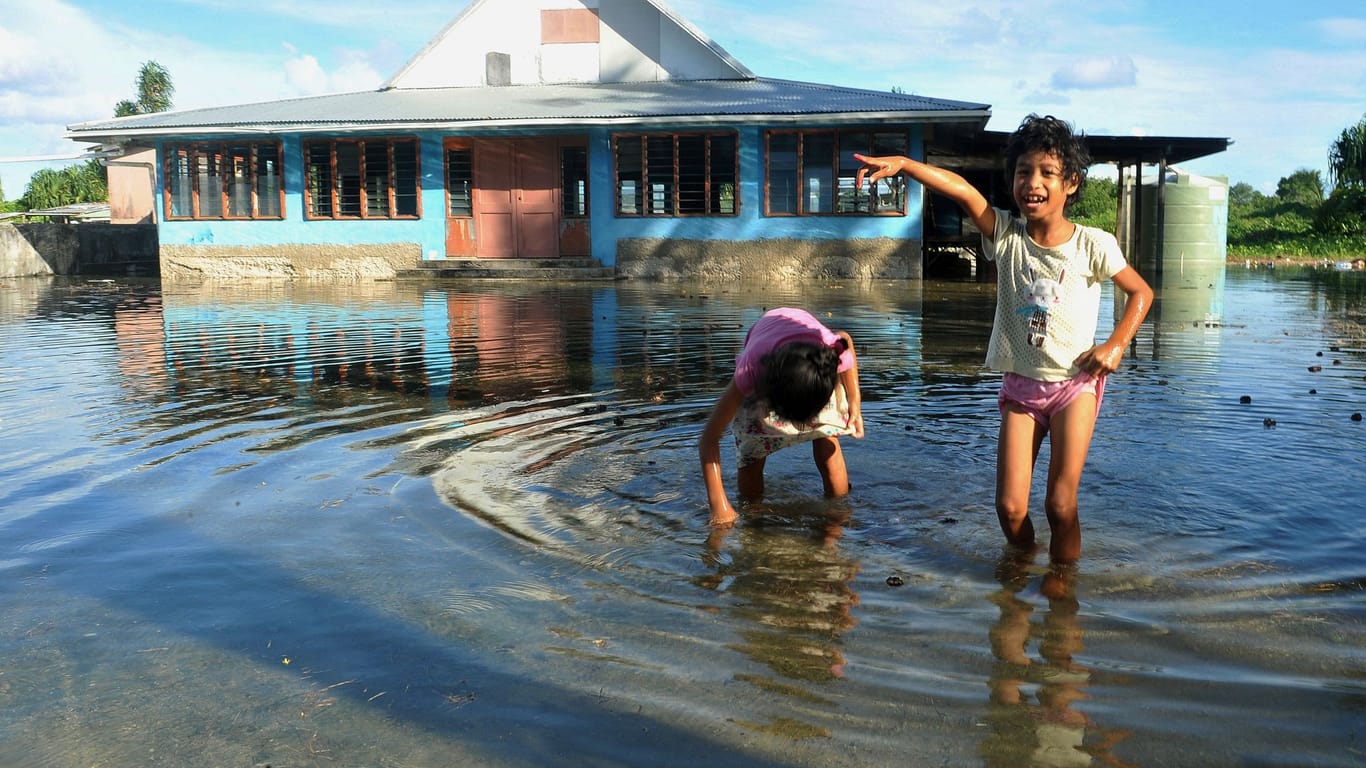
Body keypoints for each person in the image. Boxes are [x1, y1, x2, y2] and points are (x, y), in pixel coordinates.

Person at [855, 114, 1153, 563]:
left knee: (1059, 504)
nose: (1033, 182)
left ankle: (1062, 587)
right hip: (1021, 387)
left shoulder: (1094, 244)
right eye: (1023, 171)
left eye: (1047, 173)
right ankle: (1022, 565)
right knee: (1010, 508)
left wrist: (1114, 346)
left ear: (1070, 183)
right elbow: (962, 191)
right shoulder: (1006, 236)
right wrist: (905, 164)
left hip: (1076, 386)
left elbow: (1140, 293)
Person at [699, 307, 864, 528]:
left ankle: (838, 511)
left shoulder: (828, 353)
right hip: (770, 377)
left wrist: (855, 406)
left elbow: (845, 340)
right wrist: (719, 506)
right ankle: (754, 517)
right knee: (751, 454)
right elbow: (709, 438)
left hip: (809, 370)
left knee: (827, 437)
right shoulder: (751, 371)